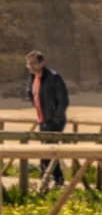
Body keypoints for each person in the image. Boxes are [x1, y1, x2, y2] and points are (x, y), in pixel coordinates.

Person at [24, 51, 68, 186]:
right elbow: (30, 94)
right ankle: (58, 180)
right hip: (42, 121)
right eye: (28, 63)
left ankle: (43, 183)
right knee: (51, 151)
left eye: (33, 63)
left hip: (54, 121)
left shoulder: (54, 77)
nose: (30, 66)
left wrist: (56, 119)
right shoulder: (32, 77)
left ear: (42, 63)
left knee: (45, 151)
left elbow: (63, 100)